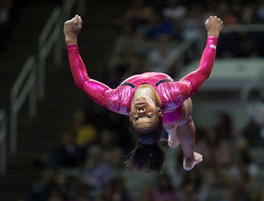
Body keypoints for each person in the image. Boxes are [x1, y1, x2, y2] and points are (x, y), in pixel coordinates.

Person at [63, 14, 223, 172]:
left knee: (168, 123)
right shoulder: (172, 94)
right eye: (148, 116)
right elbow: (203, 72)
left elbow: (83, 81)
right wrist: (212, 35)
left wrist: (71, 39)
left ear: (130, 117)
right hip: (170, 109)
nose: (141, 111)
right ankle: (189, 156)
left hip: (162, 112)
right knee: (184, 116)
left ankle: (172, 134)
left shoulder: (117, 101)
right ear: (158, 112)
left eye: (138, 117)